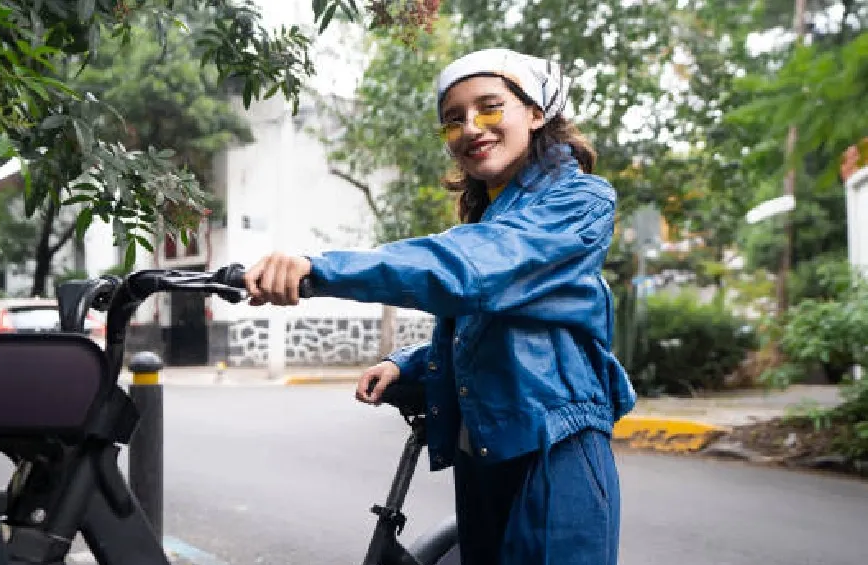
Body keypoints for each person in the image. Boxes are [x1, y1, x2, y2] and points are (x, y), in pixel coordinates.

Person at [242, 48, 636, 565]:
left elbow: (469, 270)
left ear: (537, 113)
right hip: (484, 462)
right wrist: (409, 363)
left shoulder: (581, 201)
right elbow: (491, 325)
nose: (471, 127)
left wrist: (319, 269)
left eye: (490, 108)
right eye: (454, 119)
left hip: (552, 454)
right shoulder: (492, 218)